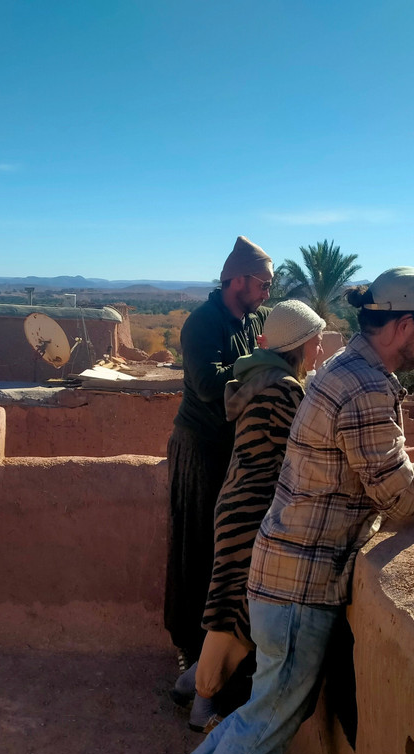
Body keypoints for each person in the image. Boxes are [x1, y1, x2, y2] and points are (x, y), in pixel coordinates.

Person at [129, 266, 414, 754]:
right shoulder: (367, 388)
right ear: (399, 324)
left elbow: (373, 465)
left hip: (279, 569)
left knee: (268, 710)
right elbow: (401, 498)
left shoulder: (343, 372)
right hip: (301, 585)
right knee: (267, 725)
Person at [177, 300, 327, 733]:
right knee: (238, 608)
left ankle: (192, 681)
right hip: (253, 508)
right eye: (315, 338)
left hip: (236, 499)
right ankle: (203, 703)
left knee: (225, 594)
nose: (319, 346)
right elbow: (309, 448)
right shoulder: (284, 389)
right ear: (299, 342)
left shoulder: (257, 378)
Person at [165, 236, 273, 669]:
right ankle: (189, 648)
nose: (267, 293)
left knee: (228, 549)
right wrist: (260, 362)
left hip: (234, 449)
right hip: (200, 449)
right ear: (239, 281)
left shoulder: (253, 317)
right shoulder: (202, 324)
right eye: (263, 285)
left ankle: (221, 651)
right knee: (197, 546)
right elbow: (209, 386)